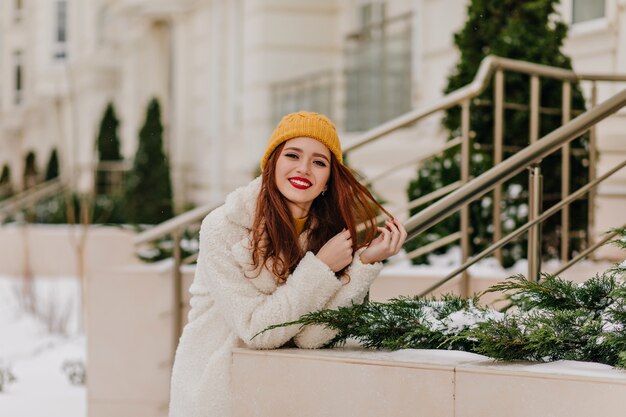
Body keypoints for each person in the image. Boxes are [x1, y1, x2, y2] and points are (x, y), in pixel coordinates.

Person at [168, 111, 407, 417]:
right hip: (217, 395)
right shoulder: (223, 227)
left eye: (319, 162)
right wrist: (320, 268)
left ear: (327, 182)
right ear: (272, 163)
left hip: (279, 394)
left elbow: (312, 337)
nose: (304, 168)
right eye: (292, 155)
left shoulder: (325, 234)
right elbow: (257, 331)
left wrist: (363, 263)